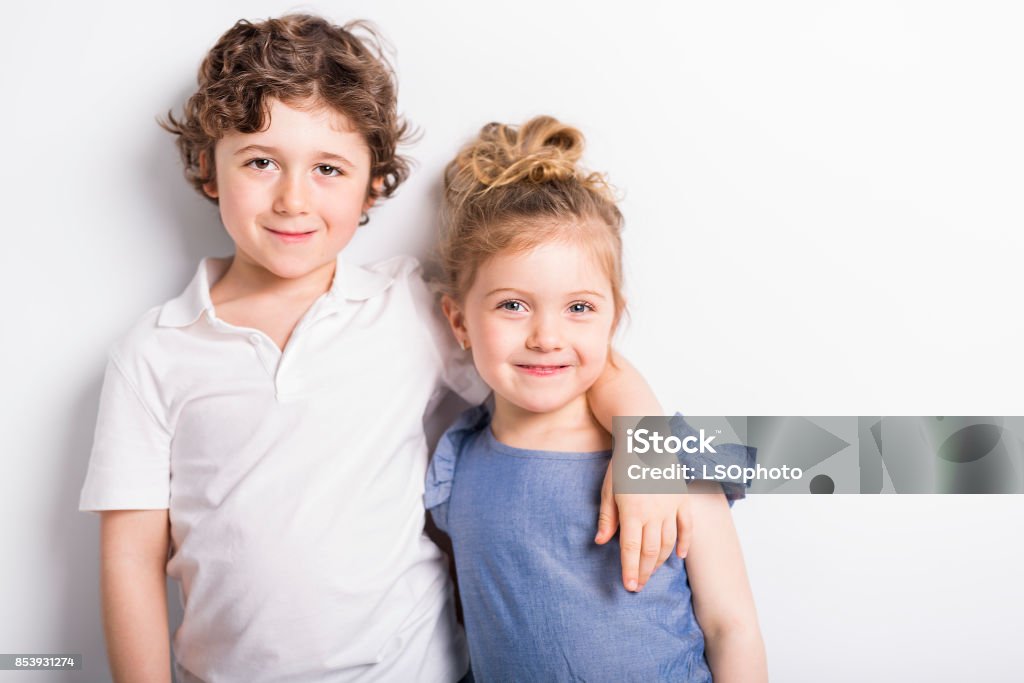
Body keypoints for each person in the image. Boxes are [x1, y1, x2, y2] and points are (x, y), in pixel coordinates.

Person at [78, 14, 694, 683]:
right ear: (208, 168)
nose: (292, 198)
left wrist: (649, 449)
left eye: (328, 169)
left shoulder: (408, 308)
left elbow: (575, 361)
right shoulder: (154, 352)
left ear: (374, 182)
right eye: (261, 162)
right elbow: (131, 560)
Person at [426, 116, 768, 681]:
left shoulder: (663, 453)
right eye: (513, 305)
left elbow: (732, 625)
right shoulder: (455, 461)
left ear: (613, 317)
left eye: (579, 308)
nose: (546, 337)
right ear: (459, 321)